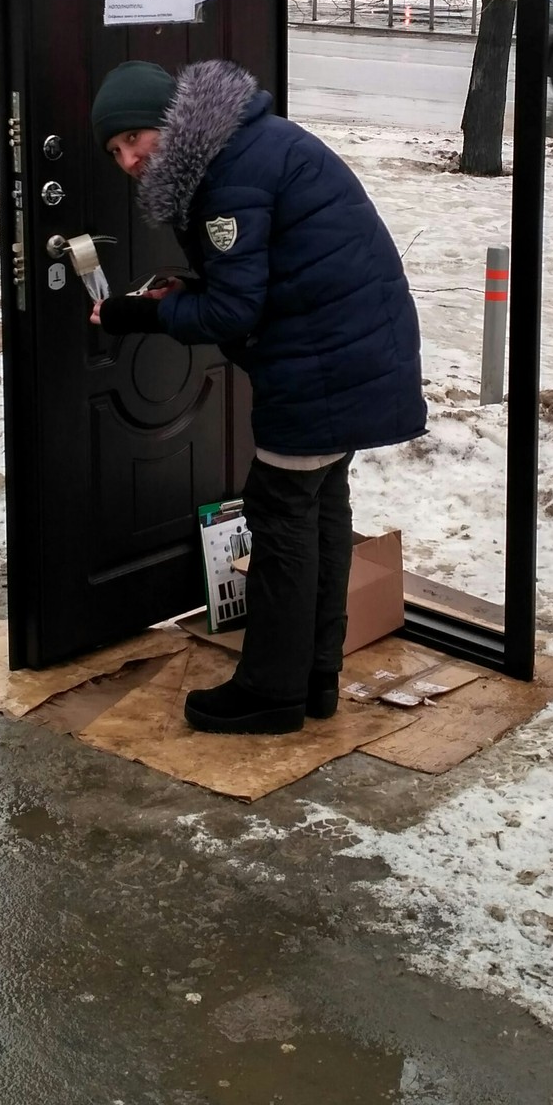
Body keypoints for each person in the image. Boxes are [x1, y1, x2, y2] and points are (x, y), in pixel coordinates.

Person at [90, 58, 426, 736]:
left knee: (279, 516)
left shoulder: (228, 172)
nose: (128, 158)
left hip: (323, 360)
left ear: (169, 120)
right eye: (116, 150)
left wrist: (141, 316)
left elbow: (233, 313)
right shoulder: (237, 146)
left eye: (134, 139)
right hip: (344, 347)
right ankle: (314, 679)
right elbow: (258, 273)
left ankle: (270, 690)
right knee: (320, 511)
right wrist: (189, 289)